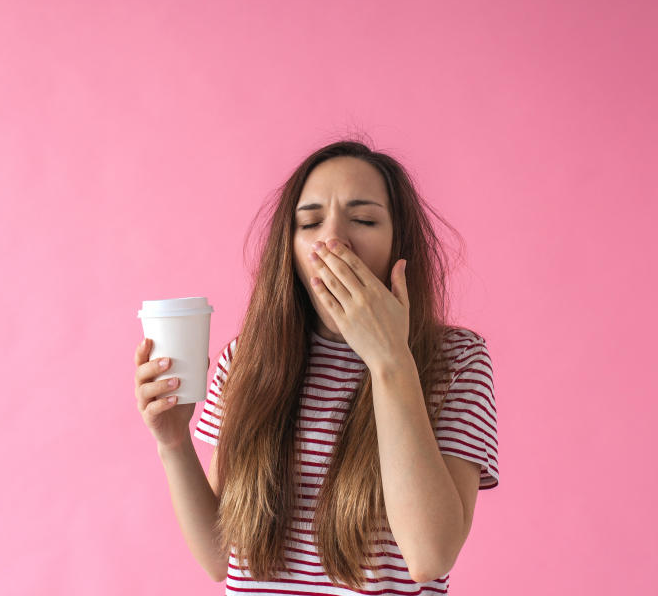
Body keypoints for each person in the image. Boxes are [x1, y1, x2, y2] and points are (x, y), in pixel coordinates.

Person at [133, 139, 498, 595]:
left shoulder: (456, 361)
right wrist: (172, 442)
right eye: (310, 222)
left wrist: (390, 360)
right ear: (290, 248)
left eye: (364, 219)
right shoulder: (246, 360)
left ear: (399, 245)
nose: (332, 240)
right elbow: (221, 559)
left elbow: (429, 555)